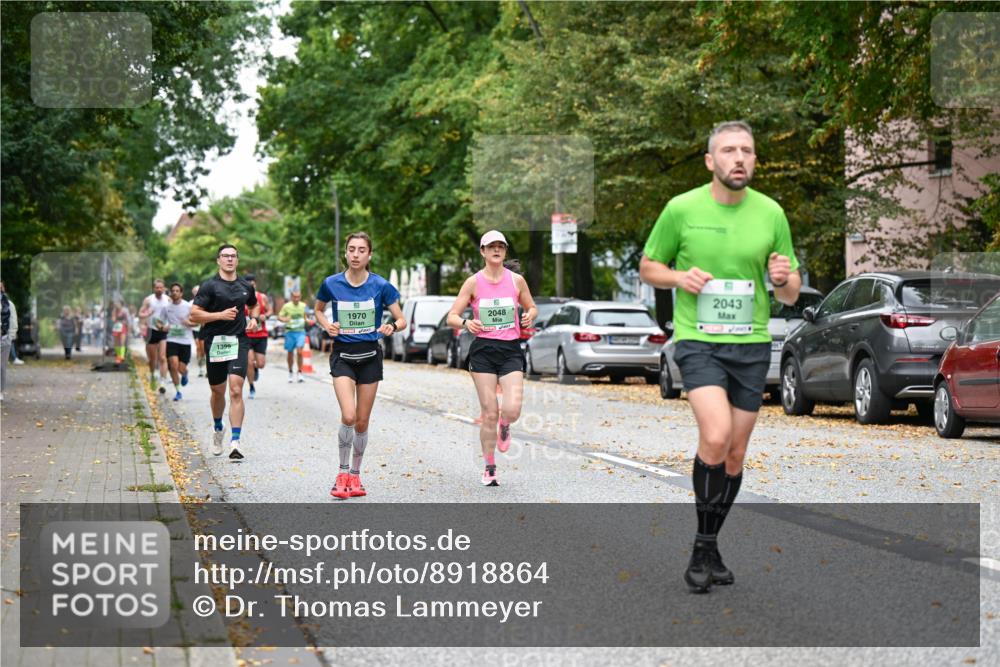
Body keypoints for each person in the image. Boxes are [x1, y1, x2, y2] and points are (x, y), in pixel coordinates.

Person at [639, 120, 801, 594]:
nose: (739, 158)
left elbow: (790, 293)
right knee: (715, 435)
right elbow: (649, 267)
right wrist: (679, 278)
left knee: (734, 453)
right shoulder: (681, 208)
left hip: (751, 344)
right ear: (711, 161)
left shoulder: (771, 213)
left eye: (746, 150)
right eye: (729, 150)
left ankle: (709, 546)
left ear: (755, 160)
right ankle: (701, 547)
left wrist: (781, 278)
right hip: (698, 339)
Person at [314, 232, 405, 500]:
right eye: (351, 249)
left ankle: (355, 475)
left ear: (369, 255)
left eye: (361, 250)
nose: (355, 254)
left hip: (370, 357)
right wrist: (327, 325)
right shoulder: (331, 283)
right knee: (349, 416)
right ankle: (342, 473)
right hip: (343, 355)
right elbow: (318, 309)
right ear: (345, 253)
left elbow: (401, 320)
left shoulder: (381, 285)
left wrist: (391, 327)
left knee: (362, 422)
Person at [446, 231, 537, 487]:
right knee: (489, 413)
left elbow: (532, 307)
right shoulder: (473, 282)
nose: (496, 250)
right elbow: (452, 316)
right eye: (491, 246)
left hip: (510, 350)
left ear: (505, 251)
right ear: (483, 251)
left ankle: (505, 424)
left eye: (501, 246)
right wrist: (466, 323)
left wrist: (530, 315)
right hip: (483, 351)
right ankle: (489, 467)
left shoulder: (517, 281)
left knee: (512, 409)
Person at [190, 244, 260, 459]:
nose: (229, 259)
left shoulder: (245, 286)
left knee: (236, 390)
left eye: (233, 256)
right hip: (215, 342)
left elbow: (254, 305)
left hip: (239, 341)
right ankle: (218, 427)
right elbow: (194, 314)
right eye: (225, 256)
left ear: (237, 260)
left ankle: (235, 442)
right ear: (218, 260)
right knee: (217, 392)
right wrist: (219, 315)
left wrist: (254, 318)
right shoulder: (209, 286)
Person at [163, 282, 195, 401]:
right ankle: (178, 391)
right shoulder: (167, 308)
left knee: (181, 369)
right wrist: (163, 327)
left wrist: (188, 323)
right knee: (173, 365)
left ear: (181, 293)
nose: (175, 293)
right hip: (172, 339)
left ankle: (185, 373)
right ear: (170, 293)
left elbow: (197, 322)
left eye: (177, 291)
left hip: (185, 341)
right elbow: (159, 322)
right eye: (173, 291)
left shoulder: (188, 306)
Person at [139, 279, 171, 394]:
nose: (159, 289)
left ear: (164, 288)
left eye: (161, 287)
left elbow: (173, 313)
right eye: (157, 287)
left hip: (163, 330)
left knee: (162, 357)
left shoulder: (168, 300)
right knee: (153, 359)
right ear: (154, 288)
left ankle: (163, 381)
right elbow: (140, 314)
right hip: (151, 330)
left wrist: (169, 325)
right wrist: (147, 314)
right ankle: (152, 374)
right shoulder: (148, 300)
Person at [243, 273, 271, 399]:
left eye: (253, 284)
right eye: (248, 284)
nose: (251, 286)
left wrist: (266, 316)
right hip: (246, 335)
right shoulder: (241, 297)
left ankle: (255, 368)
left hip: (261, 334)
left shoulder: (262, 297)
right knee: (249, 361)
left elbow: (270, 310)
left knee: (261, 364)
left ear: (255, 284)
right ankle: (251, 387)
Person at [277, 289, 308, 382]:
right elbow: (279, 316)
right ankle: (290, 371)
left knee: (299, 352)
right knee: (290, 352)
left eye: (298, 297)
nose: (296, 298)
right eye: (294, 297)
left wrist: (308, 321)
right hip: (290, 332)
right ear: (291, 297)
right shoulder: (286, 306)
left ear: (300, 297)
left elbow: (305, 317)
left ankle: (300, 372)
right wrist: (285, 319)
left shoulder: (303, 305)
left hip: (300, 331)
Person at [1, 280, 16, 401]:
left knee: (1, 367)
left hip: (4, 338)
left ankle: (0, 390)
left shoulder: (9, 304)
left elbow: (13, 321)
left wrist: (10, 337)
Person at [191, 285, 207, 377]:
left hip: (204, 328)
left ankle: (207, 368)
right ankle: (201, 368)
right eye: (195, 292)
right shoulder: (190, 303)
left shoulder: (206, 301)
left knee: (205, 349)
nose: (197, 293)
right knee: (198, 348)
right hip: (195, 329)